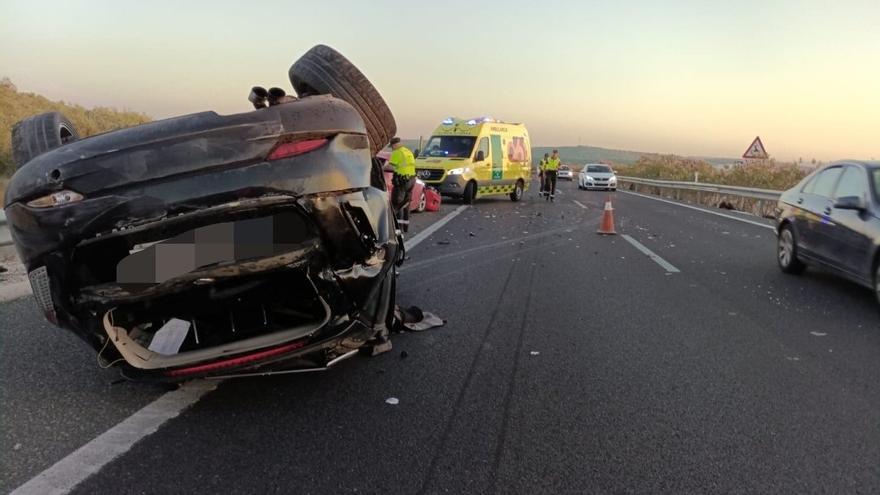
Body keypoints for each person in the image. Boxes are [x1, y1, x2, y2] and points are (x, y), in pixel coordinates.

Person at [388, 137, 416, 232]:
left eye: (392, 147)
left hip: (402, 181)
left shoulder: (397, 152)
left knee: (397, 204)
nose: (392, 149)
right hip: (411, 180)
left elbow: (391, 167)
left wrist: (381, 168)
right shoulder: (408, 151)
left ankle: (397, 229)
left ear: (394, 145)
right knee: (405, 204)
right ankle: (405, 227)